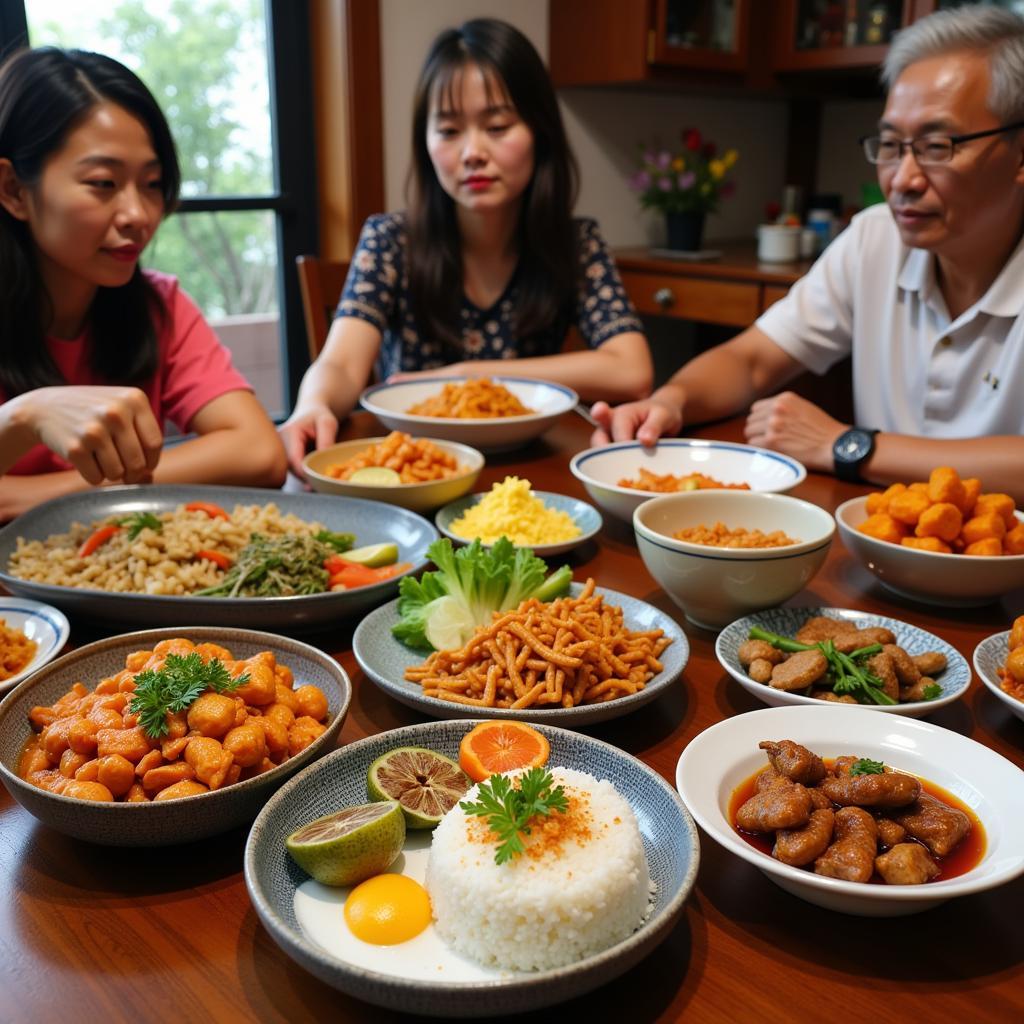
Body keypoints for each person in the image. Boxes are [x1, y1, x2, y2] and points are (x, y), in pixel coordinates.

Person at [591, 6, 1024, 504]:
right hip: (879, 551)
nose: (902, 179)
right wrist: (671, 400)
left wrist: (848, 446)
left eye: (937, 145)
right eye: (889, 144)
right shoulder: (875, 238)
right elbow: (752, 359)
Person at [280, 17, 652, 475]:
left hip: (533, 472)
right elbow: (339, 363)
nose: (472, 152)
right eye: (449, 130)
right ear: (426, 142)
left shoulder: (575, 244)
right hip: (416, 471)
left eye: (497, 126)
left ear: (540, 131)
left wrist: (468, 373)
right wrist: (311, 405)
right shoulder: (390, 241)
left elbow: (632, 369)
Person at [0, 47, 287, 521]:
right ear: (13, 190)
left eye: (152, 184)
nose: (139, 215)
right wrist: (27, 416)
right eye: (103, 183)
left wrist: (37, 496)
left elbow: (259, 451)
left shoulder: (159, 305)